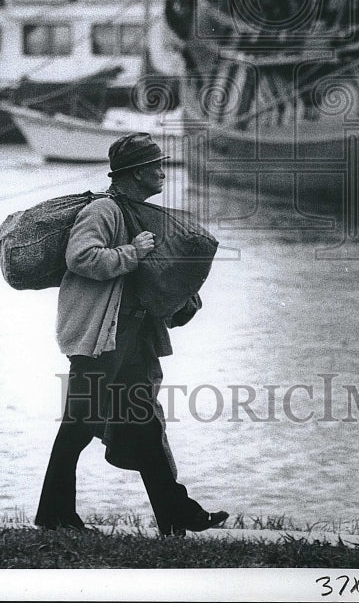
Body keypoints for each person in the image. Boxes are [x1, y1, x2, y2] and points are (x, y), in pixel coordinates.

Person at [35, 132, 228, 536]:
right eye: (156, 166)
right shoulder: (103, 210)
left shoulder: (133, 210)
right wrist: (134, 253)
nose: (162, 172)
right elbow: (82, 257)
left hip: (133, 336)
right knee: (79, 424)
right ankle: (54, 516)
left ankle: (176, 514)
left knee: (144, 424)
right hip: (101, 338)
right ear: (137, 173)